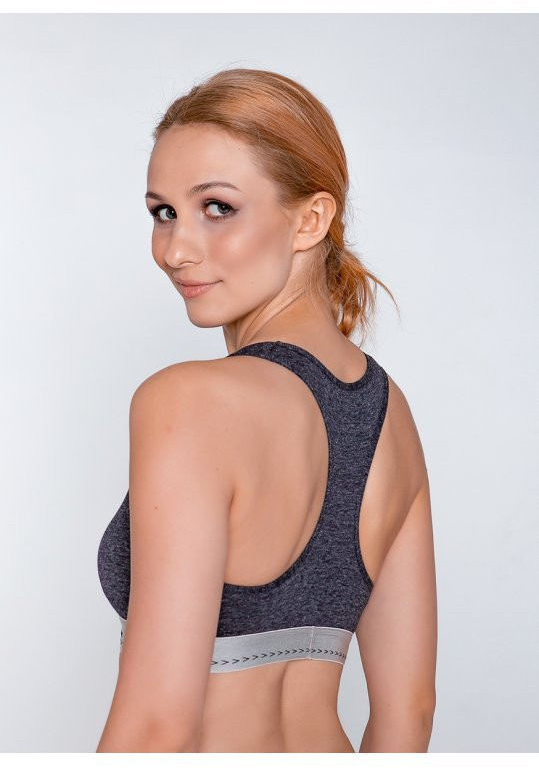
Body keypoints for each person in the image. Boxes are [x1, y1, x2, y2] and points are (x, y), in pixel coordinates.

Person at [96, 67, 437, 753]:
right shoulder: (388, 416)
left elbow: (157, 725)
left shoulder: (187, 401)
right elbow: (410, 715)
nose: (175, 249)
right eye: (163, 212)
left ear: (310, 219)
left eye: (217, 207)